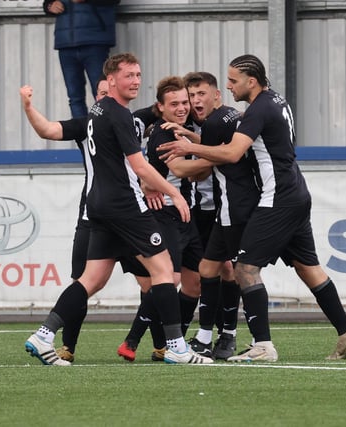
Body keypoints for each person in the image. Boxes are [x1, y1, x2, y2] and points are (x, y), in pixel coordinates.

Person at [158, 54, 346, 362]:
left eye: (232, 81)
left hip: (277, 198)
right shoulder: (275, 101)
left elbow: (232, 152)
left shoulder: (258, 109)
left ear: (251, 82)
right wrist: (196, 137)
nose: (228, 86)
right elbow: (245, 143)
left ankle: (263, 345)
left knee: (244, 268)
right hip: (296, 192)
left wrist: (190, 147)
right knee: (308, 268)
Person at [24, 52, 211, 365]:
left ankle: (44, 334)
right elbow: (140, 166)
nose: (136, 80)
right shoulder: (118, 113)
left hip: (97, 205)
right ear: (111, 80)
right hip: (123, 204)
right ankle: (177, 347)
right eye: (129, 75)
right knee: (163, 270)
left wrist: (28, 106)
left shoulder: (98, 110)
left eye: (138, 75)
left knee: (91, 279)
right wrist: (173, 194)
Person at [19, 79, 157, 362]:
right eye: (102, 94)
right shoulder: (87, 124)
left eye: (111, 94)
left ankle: (161, 345)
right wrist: (28, 106)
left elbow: (167, 105)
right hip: (94, 219)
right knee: (83, 283)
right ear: (96, 98)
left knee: (156, 281)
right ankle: (66, 346)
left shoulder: (132, 119)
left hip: (128, 218)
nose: (106, 100)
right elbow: (47, 129)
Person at [116, 76, 205, 362]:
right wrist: (224, 155)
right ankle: (137, 341)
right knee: (168, 279)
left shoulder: (185, 129)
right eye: (174, 104)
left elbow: (199, 172)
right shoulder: (163, 134)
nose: (182, 108)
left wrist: (196, 143)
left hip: (185, 214)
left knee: (195, 282)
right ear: (161, 108)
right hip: (165, 213)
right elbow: (179, 170)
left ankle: (172, 339)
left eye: (185, 102)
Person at [163, 71, 250, 361]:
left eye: (201, 94)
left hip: (230, 207)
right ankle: (209, 336)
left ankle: (228, 336)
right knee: (211, 270)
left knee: (228, 269)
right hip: (204, 209)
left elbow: (200, 167)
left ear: (217, 96)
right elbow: (213, 151)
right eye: (192, 96)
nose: (194, 101)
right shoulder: (204, 124)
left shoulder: (222, 120)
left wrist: (186, 151)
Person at [43, 0, 119, 118]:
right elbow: (48, 3)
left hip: (95, 42)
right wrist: (50, 5)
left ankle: (103, 134)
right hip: (66, 44)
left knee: (103, 94)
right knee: (75, 97)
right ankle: (81, 135)